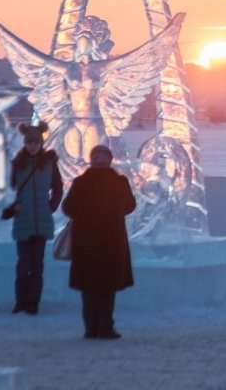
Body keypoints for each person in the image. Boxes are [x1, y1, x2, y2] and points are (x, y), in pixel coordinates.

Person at [62, 144, 137, 340]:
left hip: (86, 242)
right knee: (107, 287)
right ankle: (105, 326)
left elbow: (68, 208)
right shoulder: (120, 182)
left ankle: (90, 327)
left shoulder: (81, 182)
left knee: (89, 287)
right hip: (112, 242)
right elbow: (130, 206)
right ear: (110, 160)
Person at [9, 121, 63, 315]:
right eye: (29, 142)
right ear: (25, 142)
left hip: (41, 219)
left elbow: (58, 188)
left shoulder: (49, 164)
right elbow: (7, 188)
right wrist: (12, 206)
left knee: (37, 264)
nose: (32, 146)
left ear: (41, 143)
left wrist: (50, 206)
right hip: (23, 218)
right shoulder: (17, 164)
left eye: (36, 142)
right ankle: (21, 300)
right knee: (24, 263)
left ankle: (33, 302)